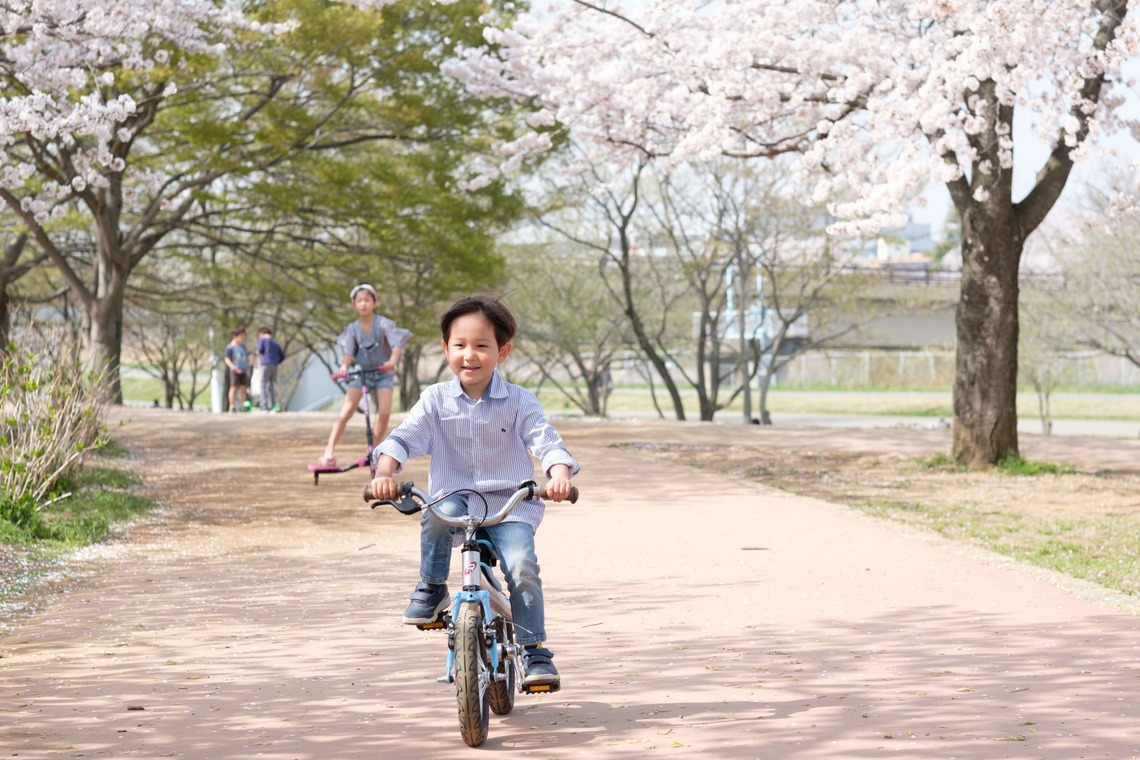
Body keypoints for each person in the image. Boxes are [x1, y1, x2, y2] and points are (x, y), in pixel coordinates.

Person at [368, 294, 579, 688]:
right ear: (445, 348)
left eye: (482, 345)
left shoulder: (519, 401)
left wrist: (559, 475)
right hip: (454, 500)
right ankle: (432, 588)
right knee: (435, 512)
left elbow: (546, 441)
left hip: (509, 506)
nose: (470, 355)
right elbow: (404, 438)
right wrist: (384, 473)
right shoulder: (435, 400)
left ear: (503, 351)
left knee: (522, 566)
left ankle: (534, 650)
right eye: (460, 345)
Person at [317, 284, 411, 467]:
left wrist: (391, 362)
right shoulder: (352, 329)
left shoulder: (383, 324)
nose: (363, 304)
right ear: (354, 305)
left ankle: (373, 451)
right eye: (359, 301)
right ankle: (329, 452)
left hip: (383, 372)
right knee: (346, 411)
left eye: (367, 300)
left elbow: (396, 347)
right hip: (362, 373)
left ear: (375, 303)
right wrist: (344, 367)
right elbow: (348, 353)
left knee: (384, 412)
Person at [256, 326, 286, 412]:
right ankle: (272, 405)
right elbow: (282, 356)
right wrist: (276, 361)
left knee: (263, 384)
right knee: (270, 385)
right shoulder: (275, 343)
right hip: (274, 365)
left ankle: (264, 406)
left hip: (265, 364)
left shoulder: (262, 340)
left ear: (262, 333)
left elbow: (259, 350)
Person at [223, 327, 250, 413]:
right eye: (241, 336)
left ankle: (243, 406)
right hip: (235, 370)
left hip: (243, 370)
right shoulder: (230, 347)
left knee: (243, 388)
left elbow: (246, 358)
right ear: (235, 336)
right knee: (233, 388)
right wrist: (233, 367)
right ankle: (232, 406)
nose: (242, 338)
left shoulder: (243, 347)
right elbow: (227, 359)